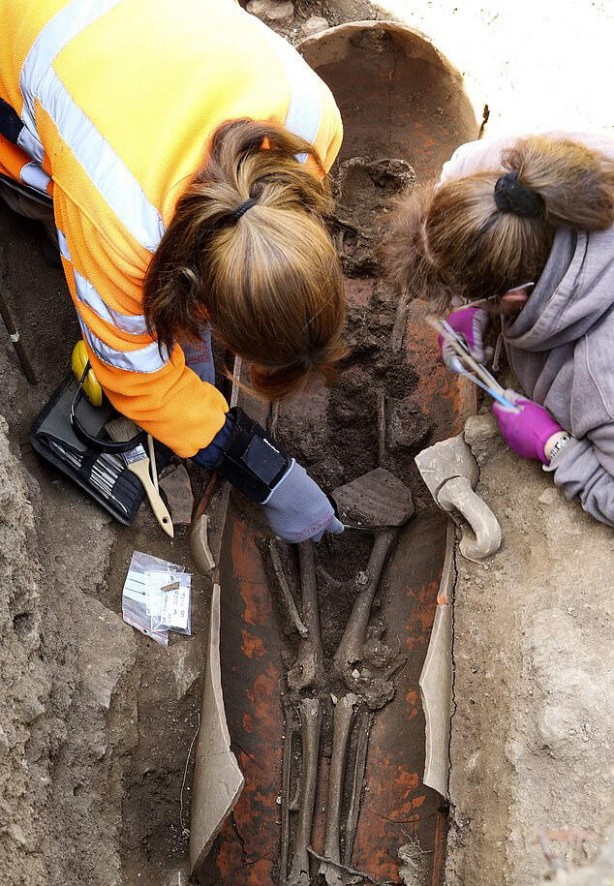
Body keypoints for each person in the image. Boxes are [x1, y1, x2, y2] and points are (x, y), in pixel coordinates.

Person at [0, 0, 347, 543]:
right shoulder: (119, 224)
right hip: (19, 37)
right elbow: (134, 378)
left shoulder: (314, 123)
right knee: (34, 196)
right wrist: (260, 472)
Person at [383, 131, 614, 527]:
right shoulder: (524, 176)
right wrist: (481, 312)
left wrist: (556, 446)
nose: (460, 303)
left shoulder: (599, 379)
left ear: (515, 295)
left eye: (470, 297)